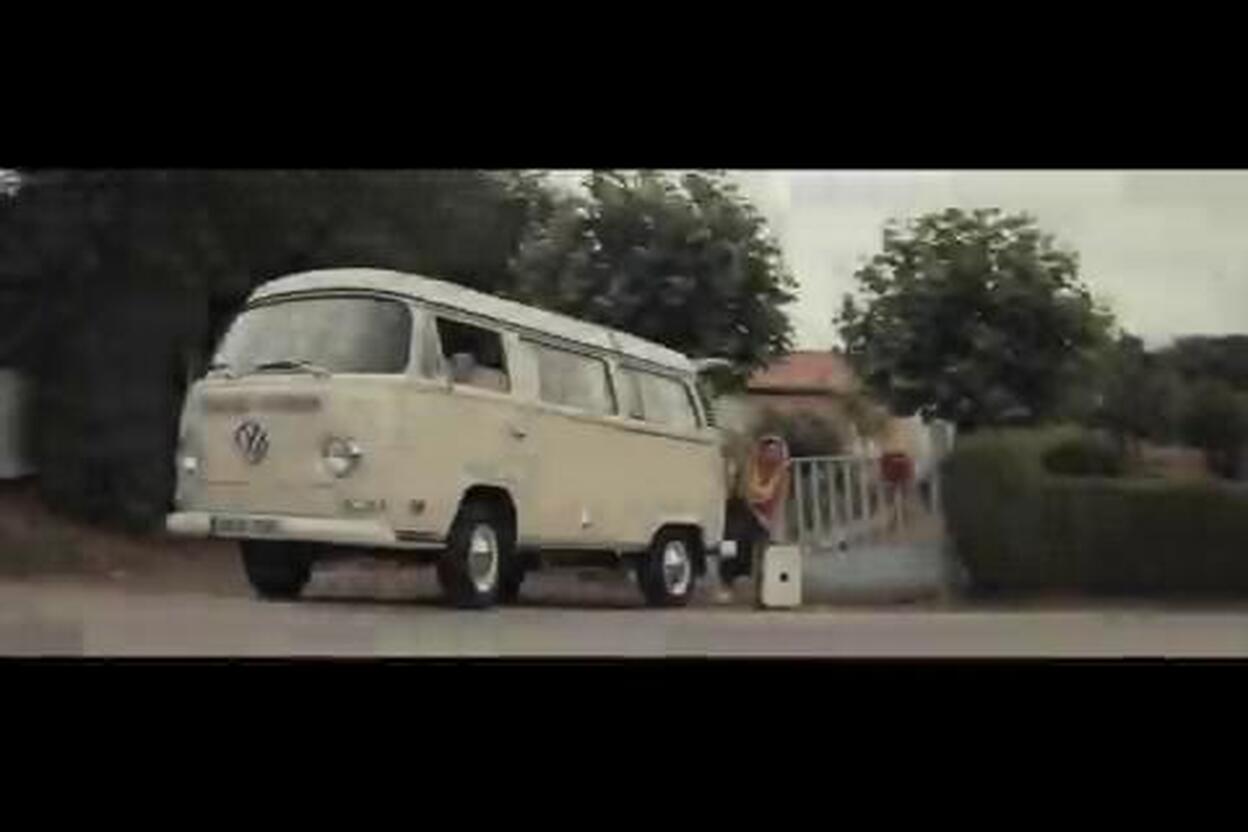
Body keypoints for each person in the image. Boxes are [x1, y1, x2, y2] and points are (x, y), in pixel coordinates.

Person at [717, 434, 791, 602]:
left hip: (762, 517)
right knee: (729, 544)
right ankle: (726, 583)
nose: (770, 455)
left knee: (764, 543)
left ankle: (759, 587)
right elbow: (744, 494)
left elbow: (779, 501)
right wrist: (758, 516)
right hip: (740, 509)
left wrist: (774, 525)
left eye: (775, 452)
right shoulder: (749, 468)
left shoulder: (783, 474)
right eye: (767, 451)